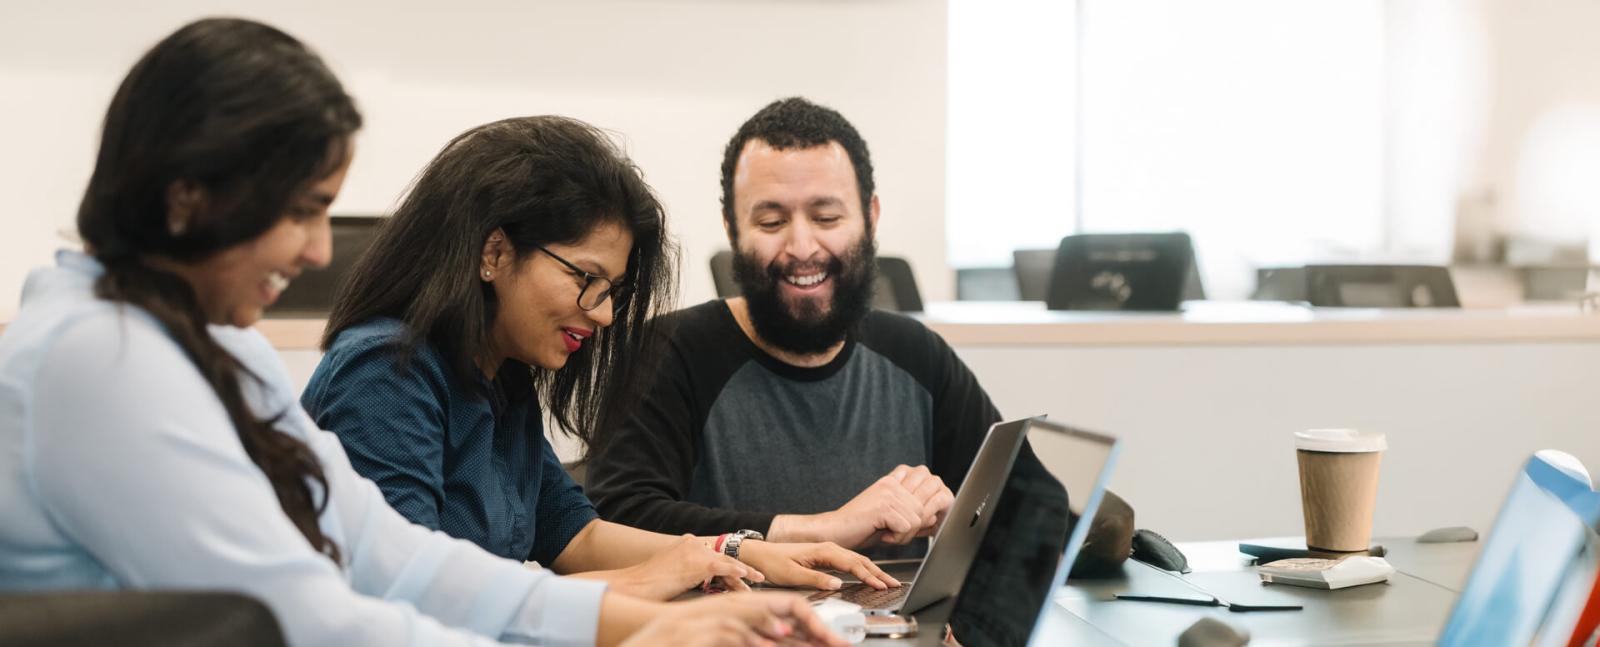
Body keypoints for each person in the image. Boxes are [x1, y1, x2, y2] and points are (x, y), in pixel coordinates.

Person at [0, 19, 843, 647]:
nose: (318, 249)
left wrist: (622, 619)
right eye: (300, 211)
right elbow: (306, 610)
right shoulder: (92, 356)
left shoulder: (227, 354)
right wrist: (628, 628)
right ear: (187, 197)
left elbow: (389, 551)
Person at [302, 115, 895, 600]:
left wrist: (741, 552)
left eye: (610, 289)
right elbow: (413, 596)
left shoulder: (498, 376)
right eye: (587, 278)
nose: (605, 314)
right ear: (494, 253)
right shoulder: (385, 372)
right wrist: (650, 580)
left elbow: (575, 534)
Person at [585, 97, 1135, 568]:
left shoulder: (916, 354)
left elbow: (1036, 507)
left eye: (826, 217)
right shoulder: (666, 351)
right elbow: (617, 521)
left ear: (870, 217)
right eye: (771, 222)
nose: (802, 247)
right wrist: (827, 528)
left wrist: (967, 518)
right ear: (733, 229)